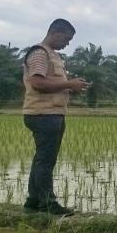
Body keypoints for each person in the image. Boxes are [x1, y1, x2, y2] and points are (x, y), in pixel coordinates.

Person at [22, 19, 89, 216]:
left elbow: (51, 83)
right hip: (44, 114)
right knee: (46, 160)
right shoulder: (40, 53)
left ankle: (34, 201)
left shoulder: (53, 56)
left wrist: (71, 86)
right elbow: (37, 83)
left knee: (41, 159)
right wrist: (69, 85)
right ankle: (48, 204)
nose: (67, 43)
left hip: (50, 113)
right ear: (56, 32)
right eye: (67, 39)